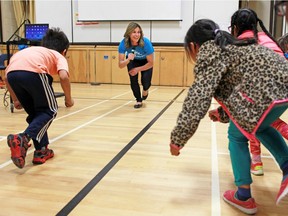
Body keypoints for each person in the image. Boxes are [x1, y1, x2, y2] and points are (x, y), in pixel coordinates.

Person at [169, 19, 288, 214]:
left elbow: (198, 99)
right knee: (260, 127)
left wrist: (178, 139)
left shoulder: (209, 53)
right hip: (282, 87)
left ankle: (243, 196)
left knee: (236, 135)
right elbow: (240, 91)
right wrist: (223, 113)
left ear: (193, 46)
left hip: (267, 93)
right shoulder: (232, 45)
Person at [209, 8, 288, 176]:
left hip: (266, 96)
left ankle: (244, 192)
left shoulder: (238, 46)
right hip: (284, 94)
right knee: (263, 125)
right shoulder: (267, 38)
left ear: (235, 27)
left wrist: (222, 113)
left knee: (238, 132)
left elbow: (236, 95)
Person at [5, 27, 74, 169]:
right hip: (34, 72)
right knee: (50, 110)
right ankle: (23, 138)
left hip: (12, 75)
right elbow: (63, 76)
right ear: (64, 51)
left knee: (37, 114)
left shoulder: (31, 51)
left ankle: (41, 151)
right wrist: (68, 99)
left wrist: (16, 99)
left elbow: (6, 77)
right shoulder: (58, 55)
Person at [118, 22, 154, 109]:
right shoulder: (123, 43)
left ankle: (145, 90)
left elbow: (151, 63)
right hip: (132, 60)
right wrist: (128, 59)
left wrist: (137, 69)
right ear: (129, 33)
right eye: (134, 32)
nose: (137, 34)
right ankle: (138, 100)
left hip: (146, 62)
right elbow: (120, 65)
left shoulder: (146, 43)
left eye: (139, 32)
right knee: (133, 80)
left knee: (146, 81)